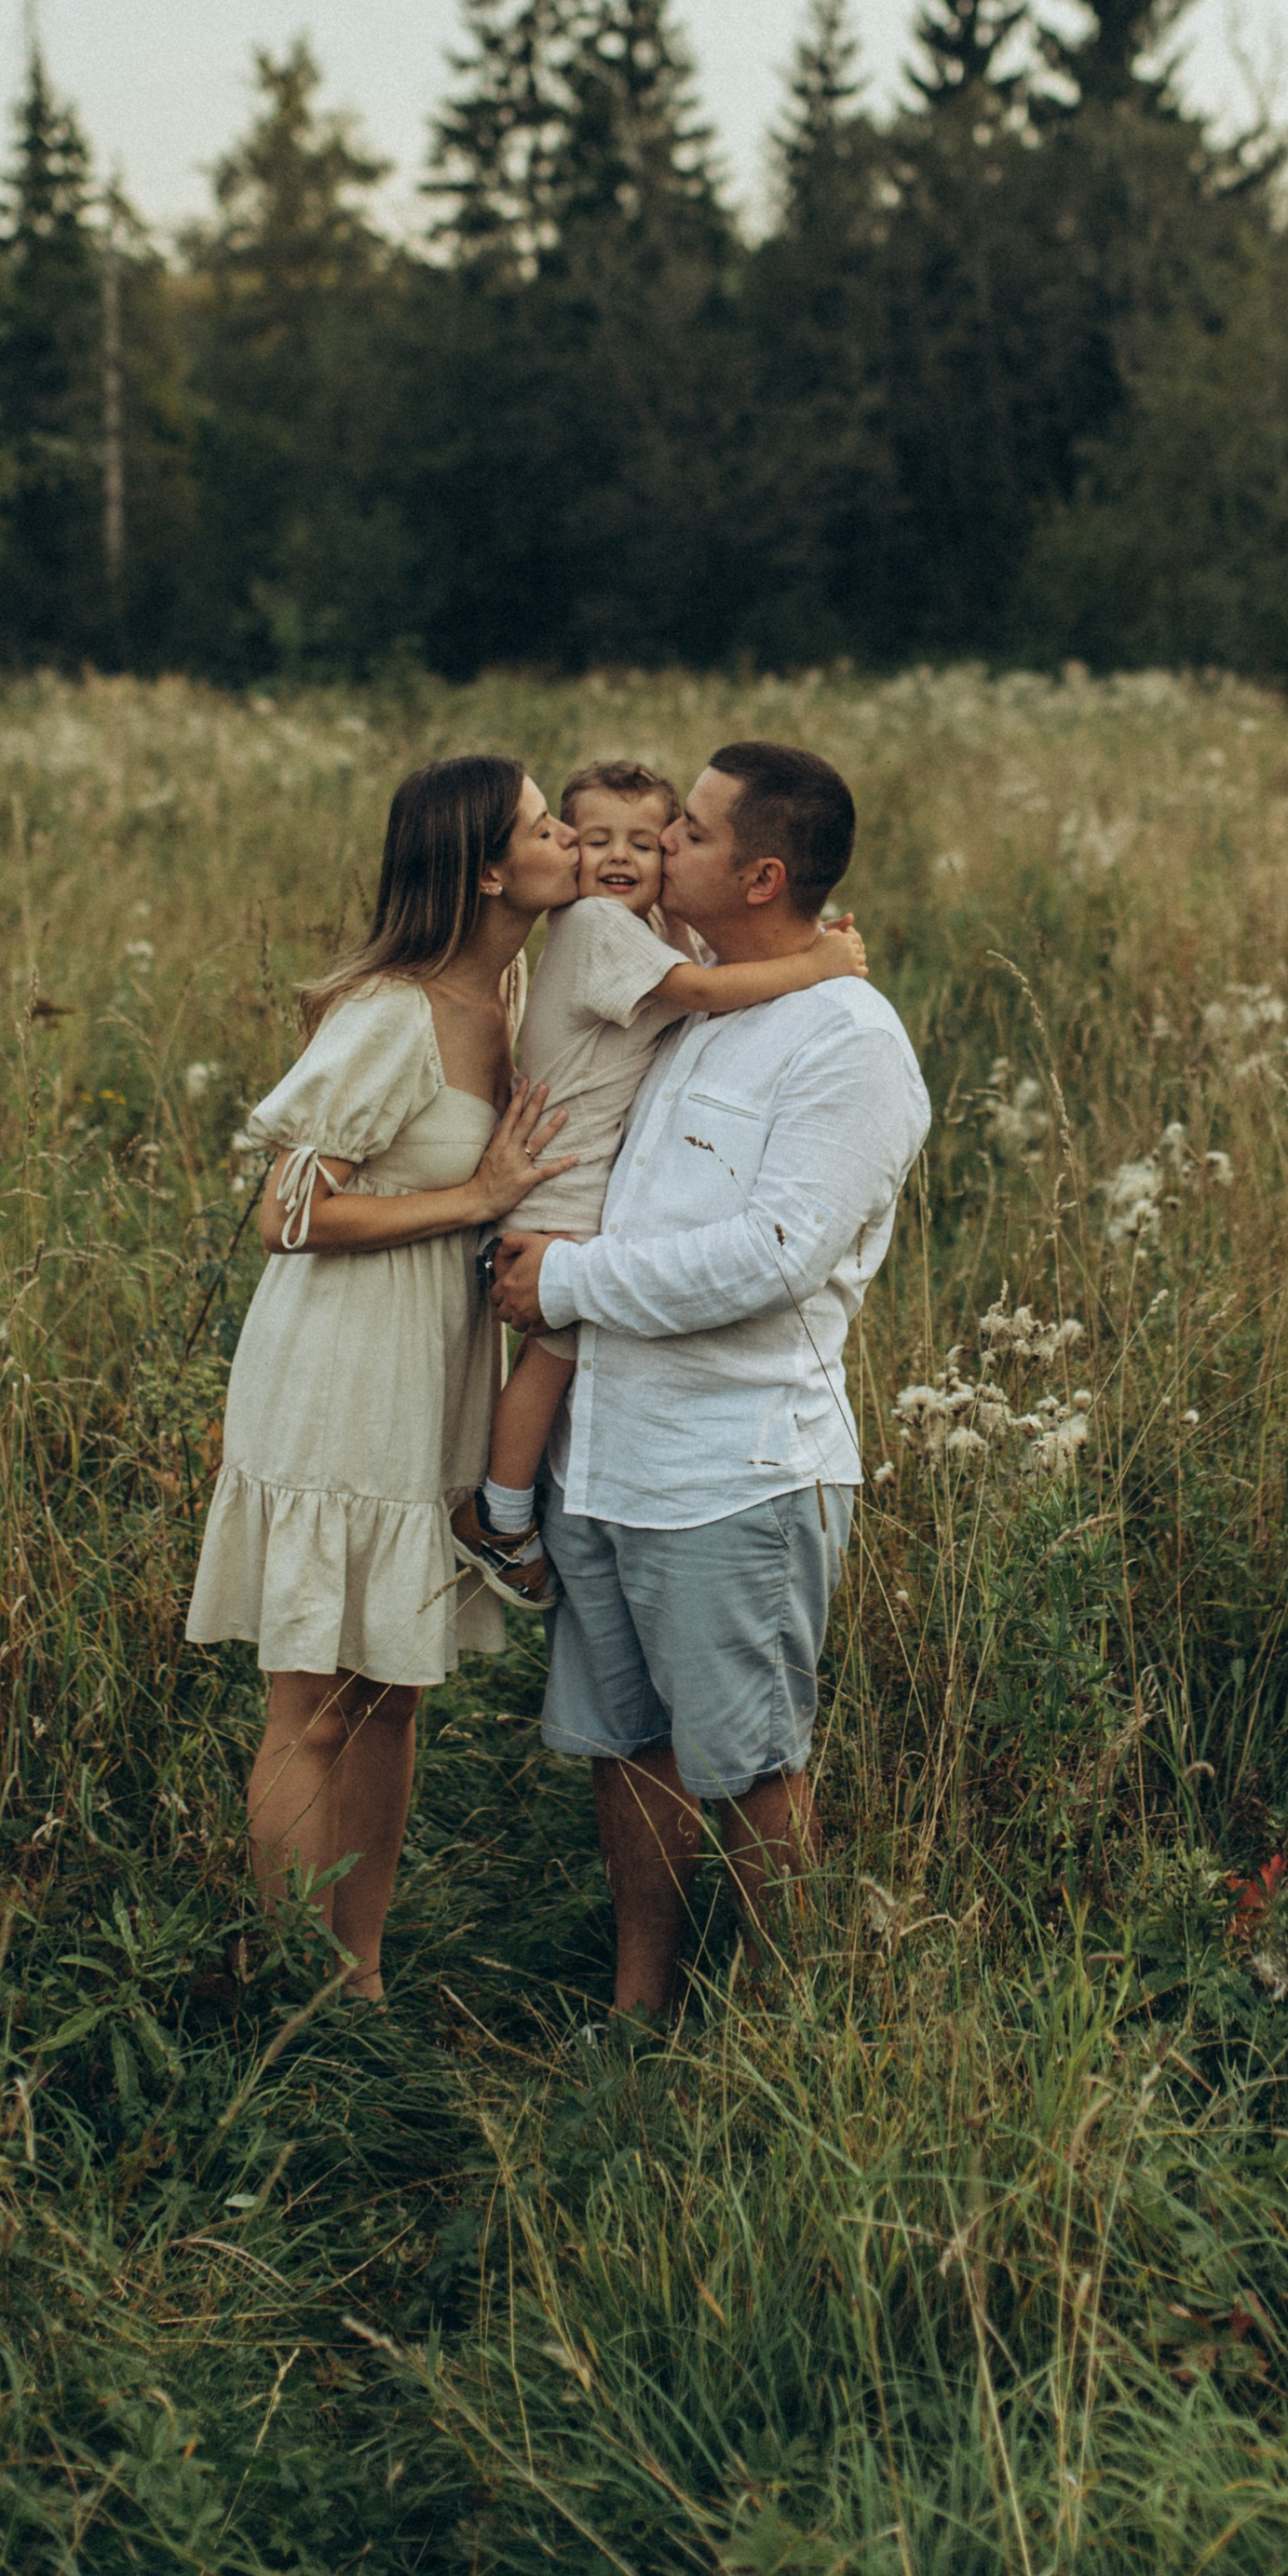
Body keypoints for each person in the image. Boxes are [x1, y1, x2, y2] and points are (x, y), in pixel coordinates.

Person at [492, 739, 930, 2014]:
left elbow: (776, 1255)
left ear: (761, 874)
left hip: (733, 1470)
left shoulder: (847, 1040)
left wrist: (562, 1285)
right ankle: (641, 2003)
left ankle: (785, 2017)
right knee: (628, 1747)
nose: (651, 844)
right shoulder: (688, 1004)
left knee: (750, 1761)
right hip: (612, 1455)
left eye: (686, 829)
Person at [183, 752, 580, 1996]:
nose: (567, 833)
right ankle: (287, 1993)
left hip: (427, 1369)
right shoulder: (394, 1011)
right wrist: (484, 1194)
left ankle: (357, 1975)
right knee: (314, 1700)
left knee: (392, 1693)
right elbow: (287, 1214)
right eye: (542, 822)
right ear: (486, 866)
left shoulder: (509, 987)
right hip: (341, 1366)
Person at [468, 753, 870, 1609]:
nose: (625, 857)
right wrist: (817, 964)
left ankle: (509, 1504)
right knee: (553, 1351)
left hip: (574, 1177)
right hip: (562, 1178)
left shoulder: (642, 932)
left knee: (556, 1351)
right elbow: (703, 991)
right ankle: (499, 1514)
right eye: (593, 838)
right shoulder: (596, 928)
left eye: (653, 840)